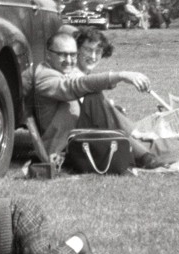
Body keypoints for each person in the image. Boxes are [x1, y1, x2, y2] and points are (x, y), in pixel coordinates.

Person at [34, 31, 162, 168]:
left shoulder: (63, 71)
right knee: (94, 98)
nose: (69, 60)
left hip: (77, 137)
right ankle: (141, 155)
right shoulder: (44, 76)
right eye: (62, 54)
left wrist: (133, 130)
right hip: (61, 148)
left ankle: (139, 151)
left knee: (96, 101)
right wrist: (120, 75)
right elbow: (73, 87)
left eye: (72, 55)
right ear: (48, 54)